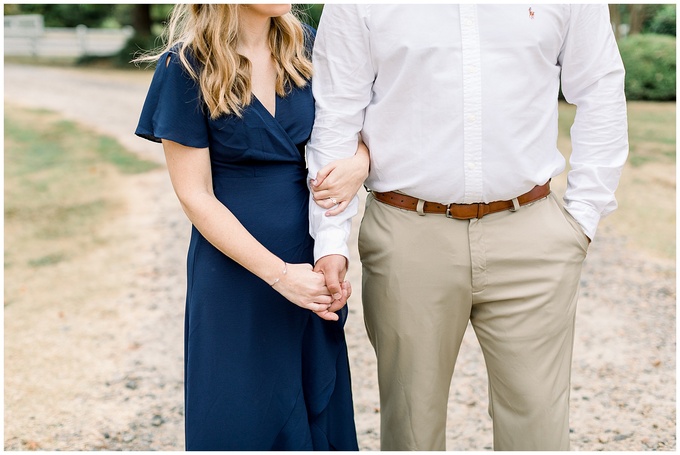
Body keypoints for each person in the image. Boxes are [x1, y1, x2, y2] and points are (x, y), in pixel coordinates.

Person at [307, 5, 628, 451]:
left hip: (533, 234)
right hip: (407, 236)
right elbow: (335, 113)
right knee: (411, 427)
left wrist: (584, 216)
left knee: (538, 429)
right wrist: (329, 239)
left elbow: (599, 86)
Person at [134, 4, 368, 450]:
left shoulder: (308, 45)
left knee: (316, 404)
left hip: (311, 258)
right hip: (234, 272)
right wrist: (279, 275)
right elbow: (194, 194)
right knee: (240, 410)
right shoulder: (185, 66)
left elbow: (351, 131)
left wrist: (360, 163)